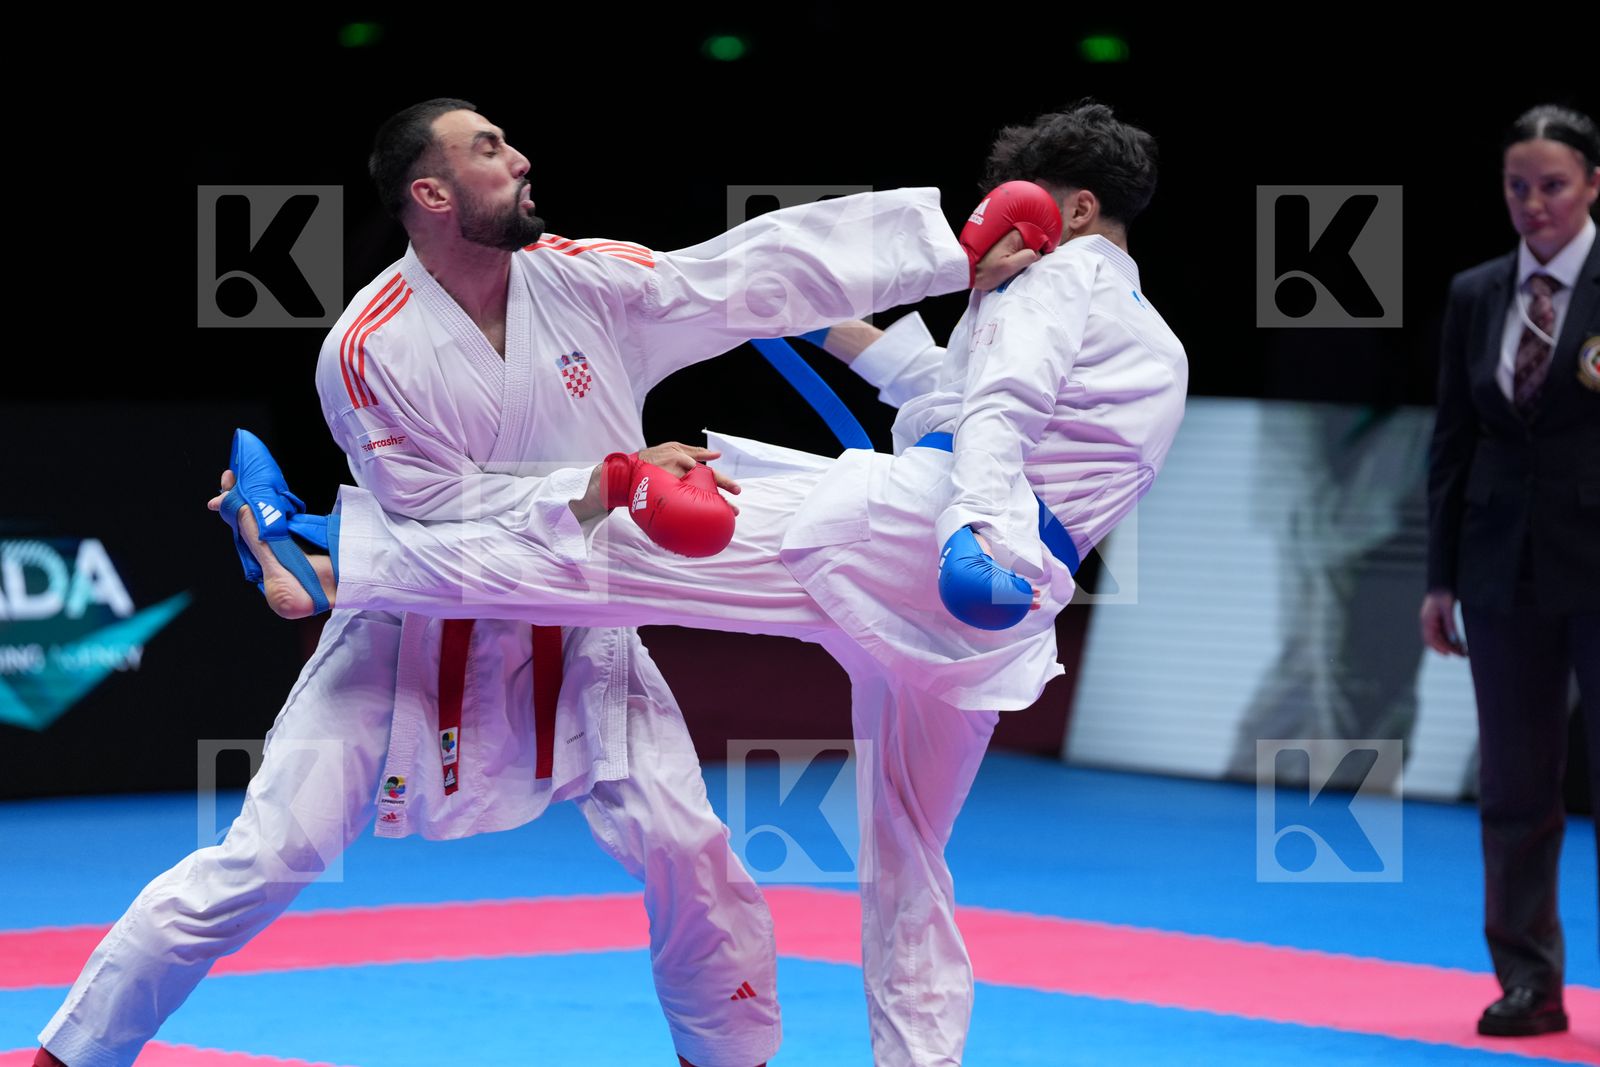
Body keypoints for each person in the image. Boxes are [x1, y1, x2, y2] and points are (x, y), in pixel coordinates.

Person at [36, 97, 1012, 1067]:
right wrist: (608, 483)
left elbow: (736, 275)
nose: (520, 158)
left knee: (693, 855)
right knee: (256, 861)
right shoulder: (370, 346)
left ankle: (732, 1060)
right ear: (431, 190)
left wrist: (946, 251)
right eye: (489, 149)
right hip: (409, 628)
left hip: (584, 626)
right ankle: (69, 1054)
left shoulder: (584, 281)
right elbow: (442, 516)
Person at [226, 100, 1187, 1067]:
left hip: (920, 536)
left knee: (621, 542)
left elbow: (1004, 411)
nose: (1005, 232)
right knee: (910, 867)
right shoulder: (1156, 348)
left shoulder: (1061, 285)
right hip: (989, 622)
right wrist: (820, 321)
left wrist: (978, 524)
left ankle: (327, 559)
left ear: (1071, 210)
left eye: (1017, 210)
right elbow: (947, 393)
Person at [1420, 102, 1600, 1038]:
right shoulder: (1476, 293)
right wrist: (1440, 574)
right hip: (1501, 570)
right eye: (1517, 186)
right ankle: (1529, 981)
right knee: (1517, 788)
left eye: (1554, 186)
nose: (1533, 204)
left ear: (1595, 186)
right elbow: (1453, 442)